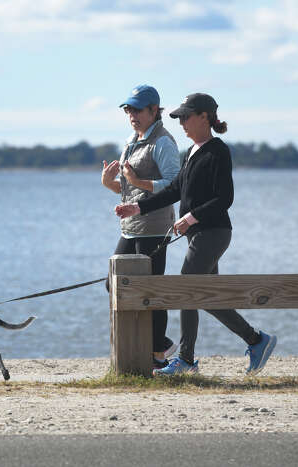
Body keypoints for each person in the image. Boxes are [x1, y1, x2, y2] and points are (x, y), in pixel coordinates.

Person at [115, 92, 277, 376]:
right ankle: (256, 340)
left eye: (186, 117)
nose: (182, 123)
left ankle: (186, 359)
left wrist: (190, 217)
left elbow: (225, 198)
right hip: (199, 234)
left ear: (205, 117)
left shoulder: (218, 151)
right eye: (179, 118)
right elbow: (173, 191)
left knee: (186, 288)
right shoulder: (191, 152)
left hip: (213, 232)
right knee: (207, 297)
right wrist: (137, 208)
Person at [101, 84, 181, 370]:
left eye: (137, 109)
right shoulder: (132, 140)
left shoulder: (163, 142)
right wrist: (107, 182)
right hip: (130, 226)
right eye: (128, 109)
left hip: (156, 226)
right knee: (113, 283)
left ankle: (158, 353)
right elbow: (126, 188)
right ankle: (158, 344)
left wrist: (134, 183)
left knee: (151, 289)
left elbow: (175, 185)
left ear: (153, 111)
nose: (131, 114)